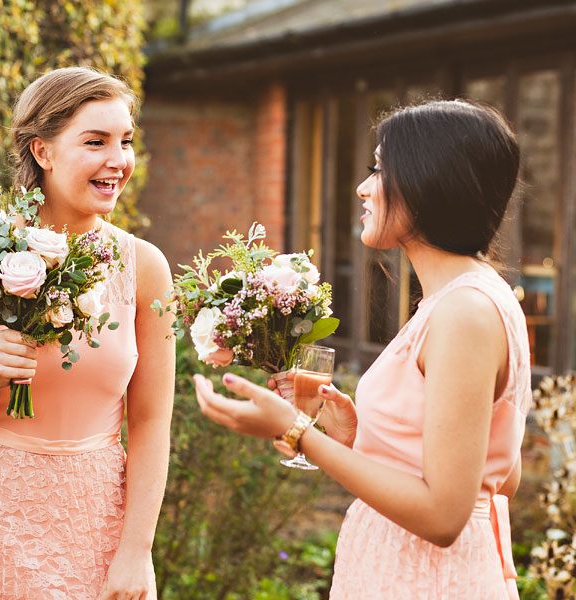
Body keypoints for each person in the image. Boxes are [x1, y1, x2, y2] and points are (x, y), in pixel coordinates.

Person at [195, 100, 530, 599]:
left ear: (427, 181)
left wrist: (297, 432)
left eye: (379, 169)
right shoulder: (462, 299)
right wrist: (361, 439)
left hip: (428, 580)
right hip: (402, 570)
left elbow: (445, 515)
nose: (363, 187)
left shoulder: (464, 313)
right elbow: (502, 476)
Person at [0, 66, 175, 599]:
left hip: (95, 514)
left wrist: (136, 551)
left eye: (125, 141)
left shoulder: (145, 267)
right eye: (95, 142)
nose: (118, 160)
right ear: (42, 152)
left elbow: (150, 422)